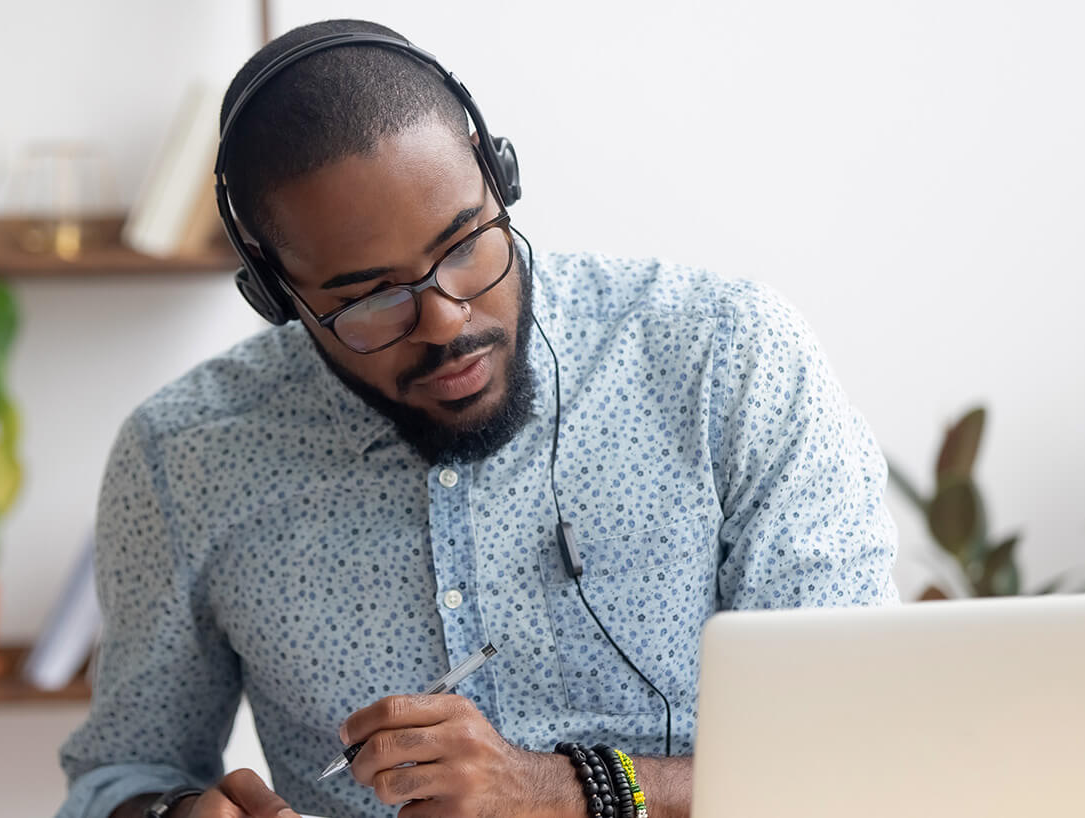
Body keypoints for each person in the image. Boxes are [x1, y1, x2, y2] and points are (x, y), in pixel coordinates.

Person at [55, 17, 900, 818]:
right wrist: (173, 810)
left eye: (465, 246)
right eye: (372, 298)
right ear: (275, 296)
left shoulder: (728, 360)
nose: (448, 321)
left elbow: (862, 753)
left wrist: (560, 792)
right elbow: (122, 776)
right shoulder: (182, 457)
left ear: (497, 175)